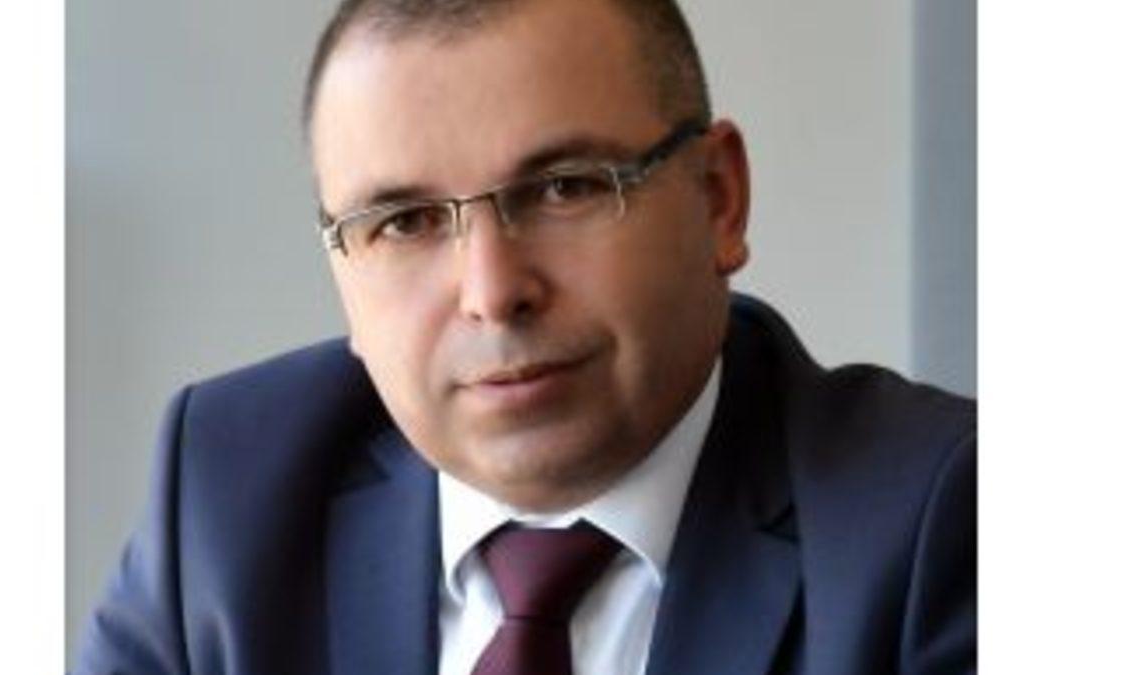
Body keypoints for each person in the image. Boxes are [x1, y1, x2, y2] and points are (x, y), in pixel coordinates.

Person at [74, 0, 976, 673]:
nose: (493, 292)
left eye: (566, 189)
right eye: (405, 221)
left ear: (718, 200)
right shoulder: (228, 491)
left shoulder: (943, 522)